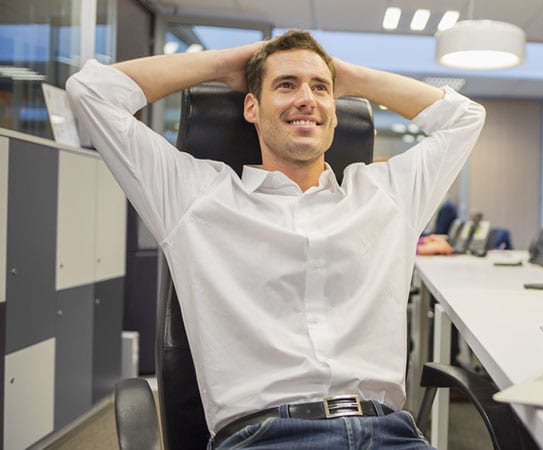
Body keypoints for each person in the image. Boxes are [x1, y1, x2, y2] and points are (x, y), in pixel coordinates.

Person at [67, 30, 485, 449]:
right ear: (252, 105)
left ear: (335, 112)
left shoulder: (387, 195)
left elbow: (465, 117)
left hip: (391, 433)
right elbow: (92, 92)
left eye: (320, 88)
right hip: (267, 437)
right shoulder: (194, 198)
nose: (307, 98)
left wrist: (348, 77)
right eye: (286, 85)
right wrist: (224, 64)